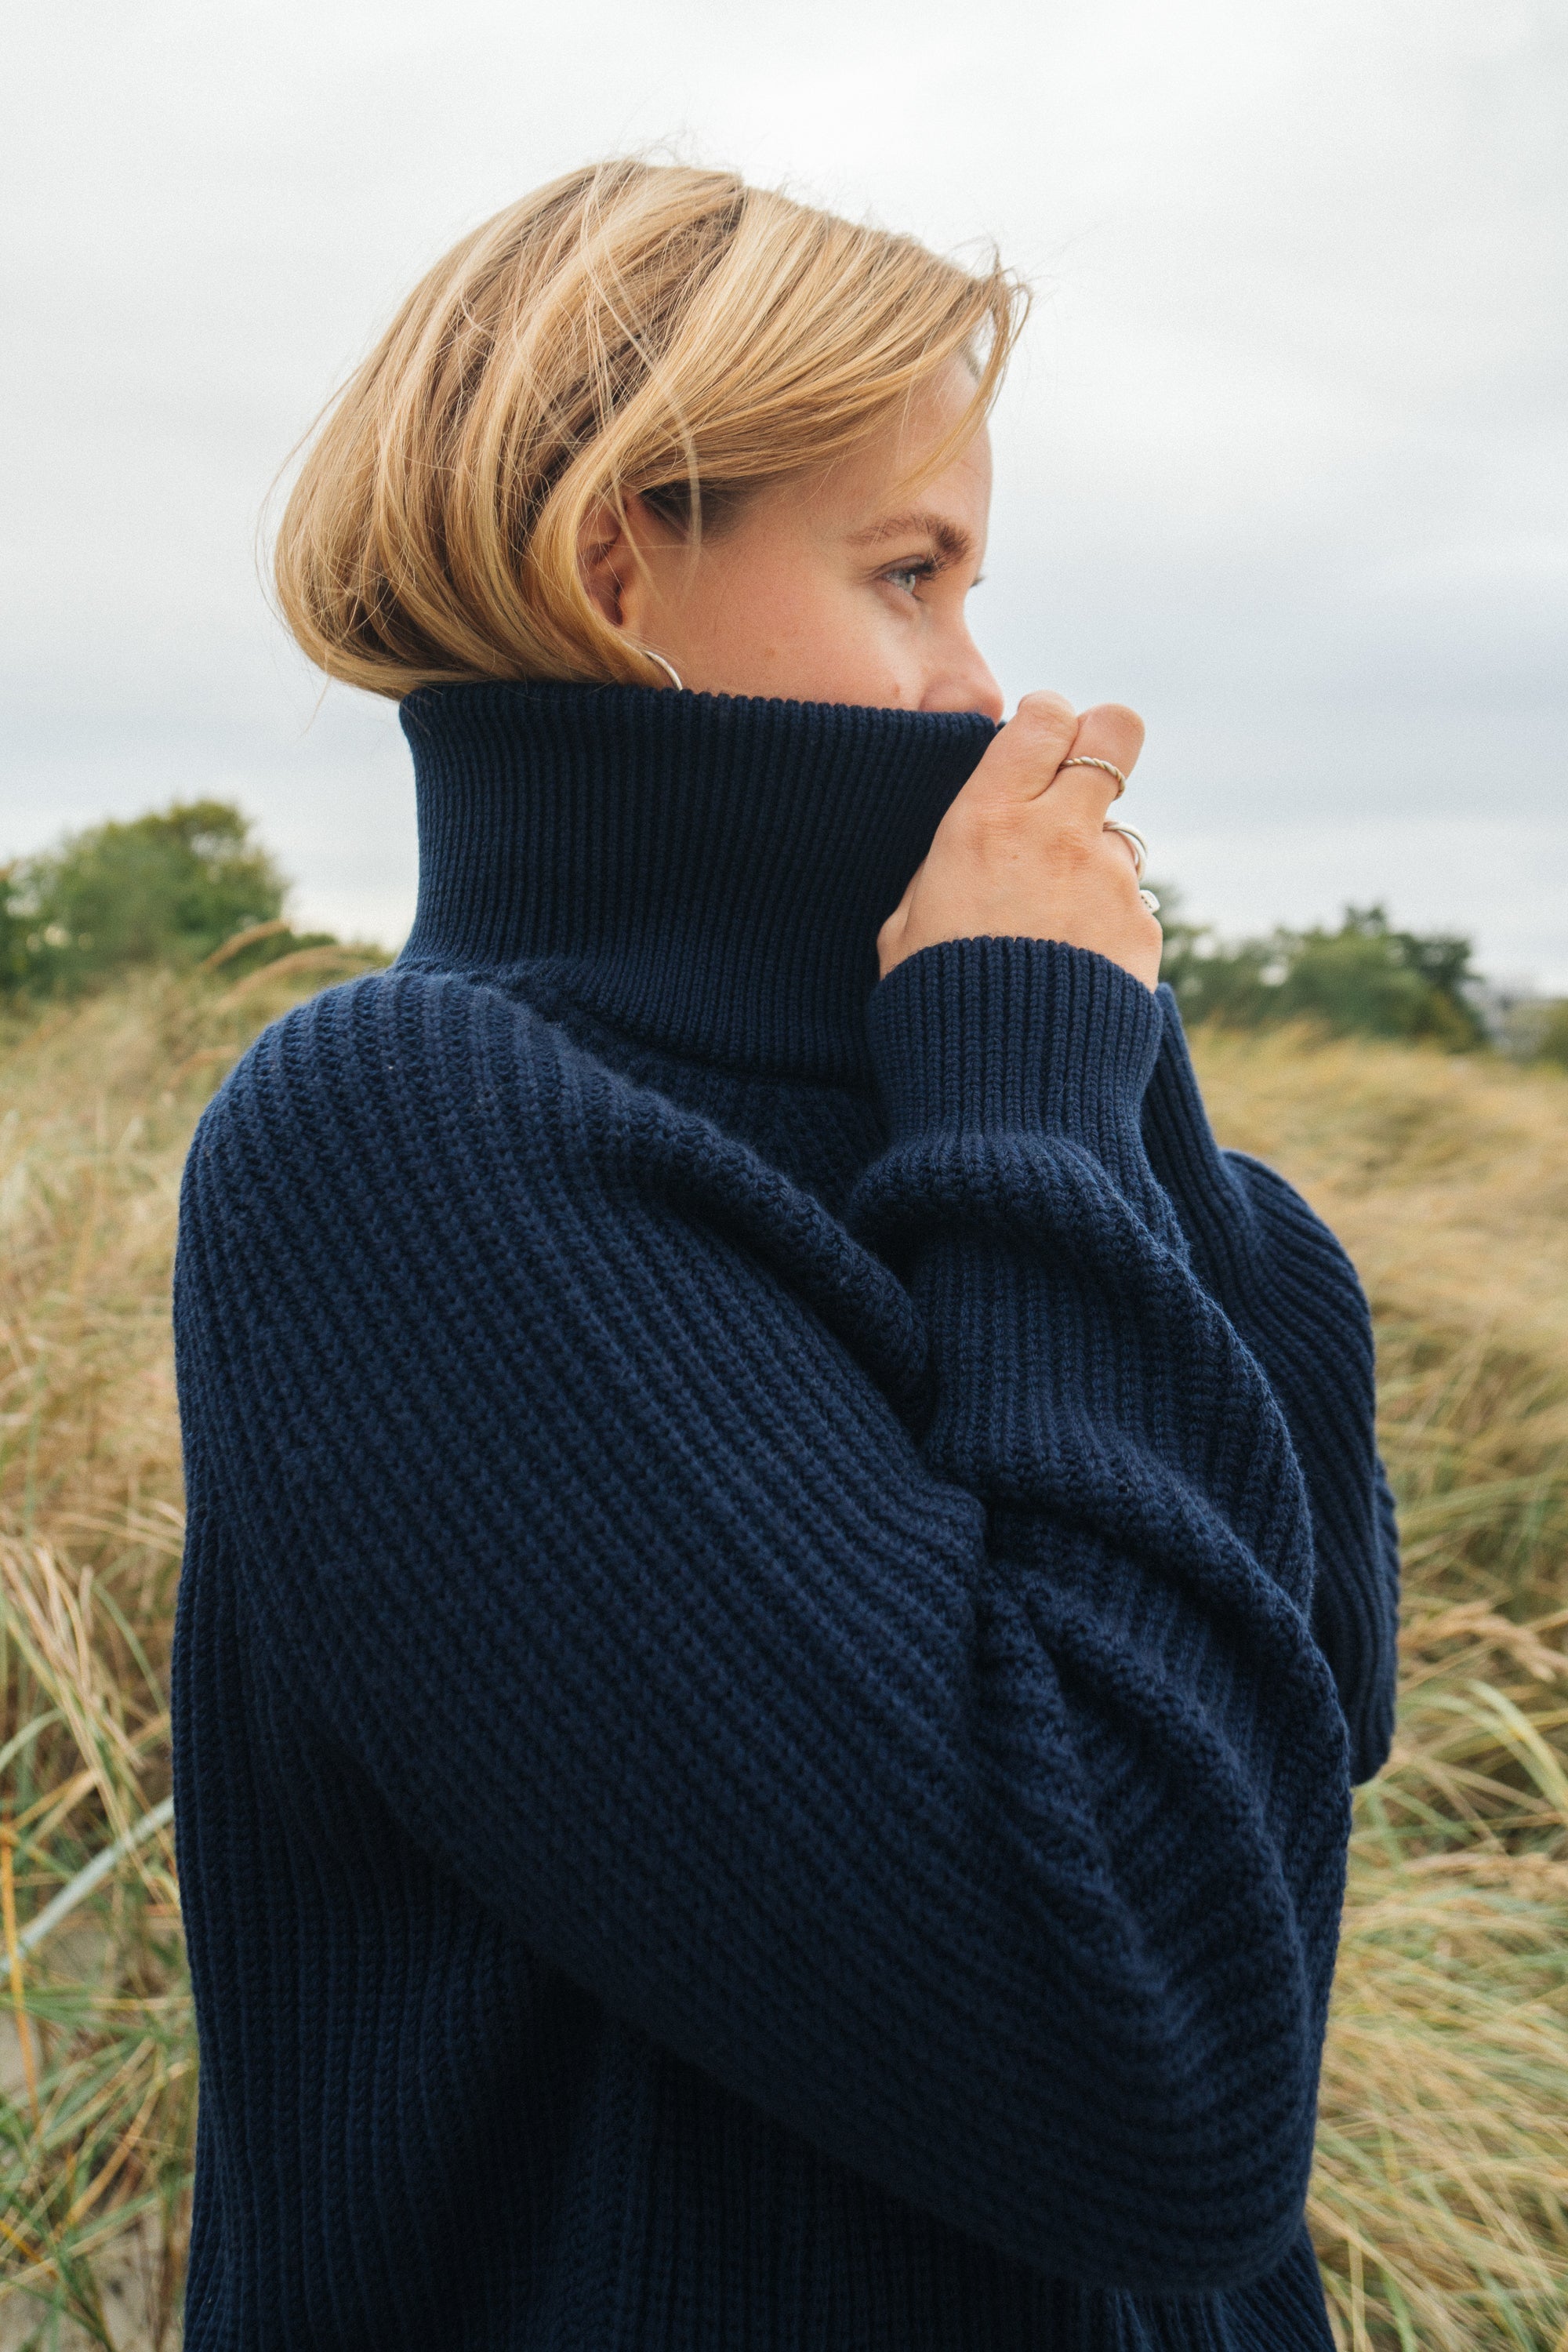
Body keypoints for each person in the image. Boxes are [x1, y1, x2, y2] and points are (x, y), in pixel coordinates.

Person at [171, 159, 1400, 2350]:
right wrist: (1031, 1082)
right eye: (909, 575)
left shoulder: (914, 1079)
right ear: (612, 555)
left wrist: (1082, 1051)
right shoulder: (414, 1134)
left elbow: (1316, 1714)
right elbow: (1161, 2069)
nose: (980, 689)